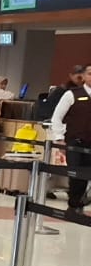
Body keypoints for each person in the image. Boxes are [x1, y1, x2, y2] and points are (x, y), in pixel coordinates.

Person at [49, 68, 91, 215]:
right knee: (75, 174)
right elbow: (57, 117)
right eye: (90, 73)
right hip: (75, 142)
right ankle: (74, 204)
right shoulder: (72, 94)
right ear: (83, 76)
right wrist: (59, 138)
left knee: (86, 174)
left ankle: (78, 202)